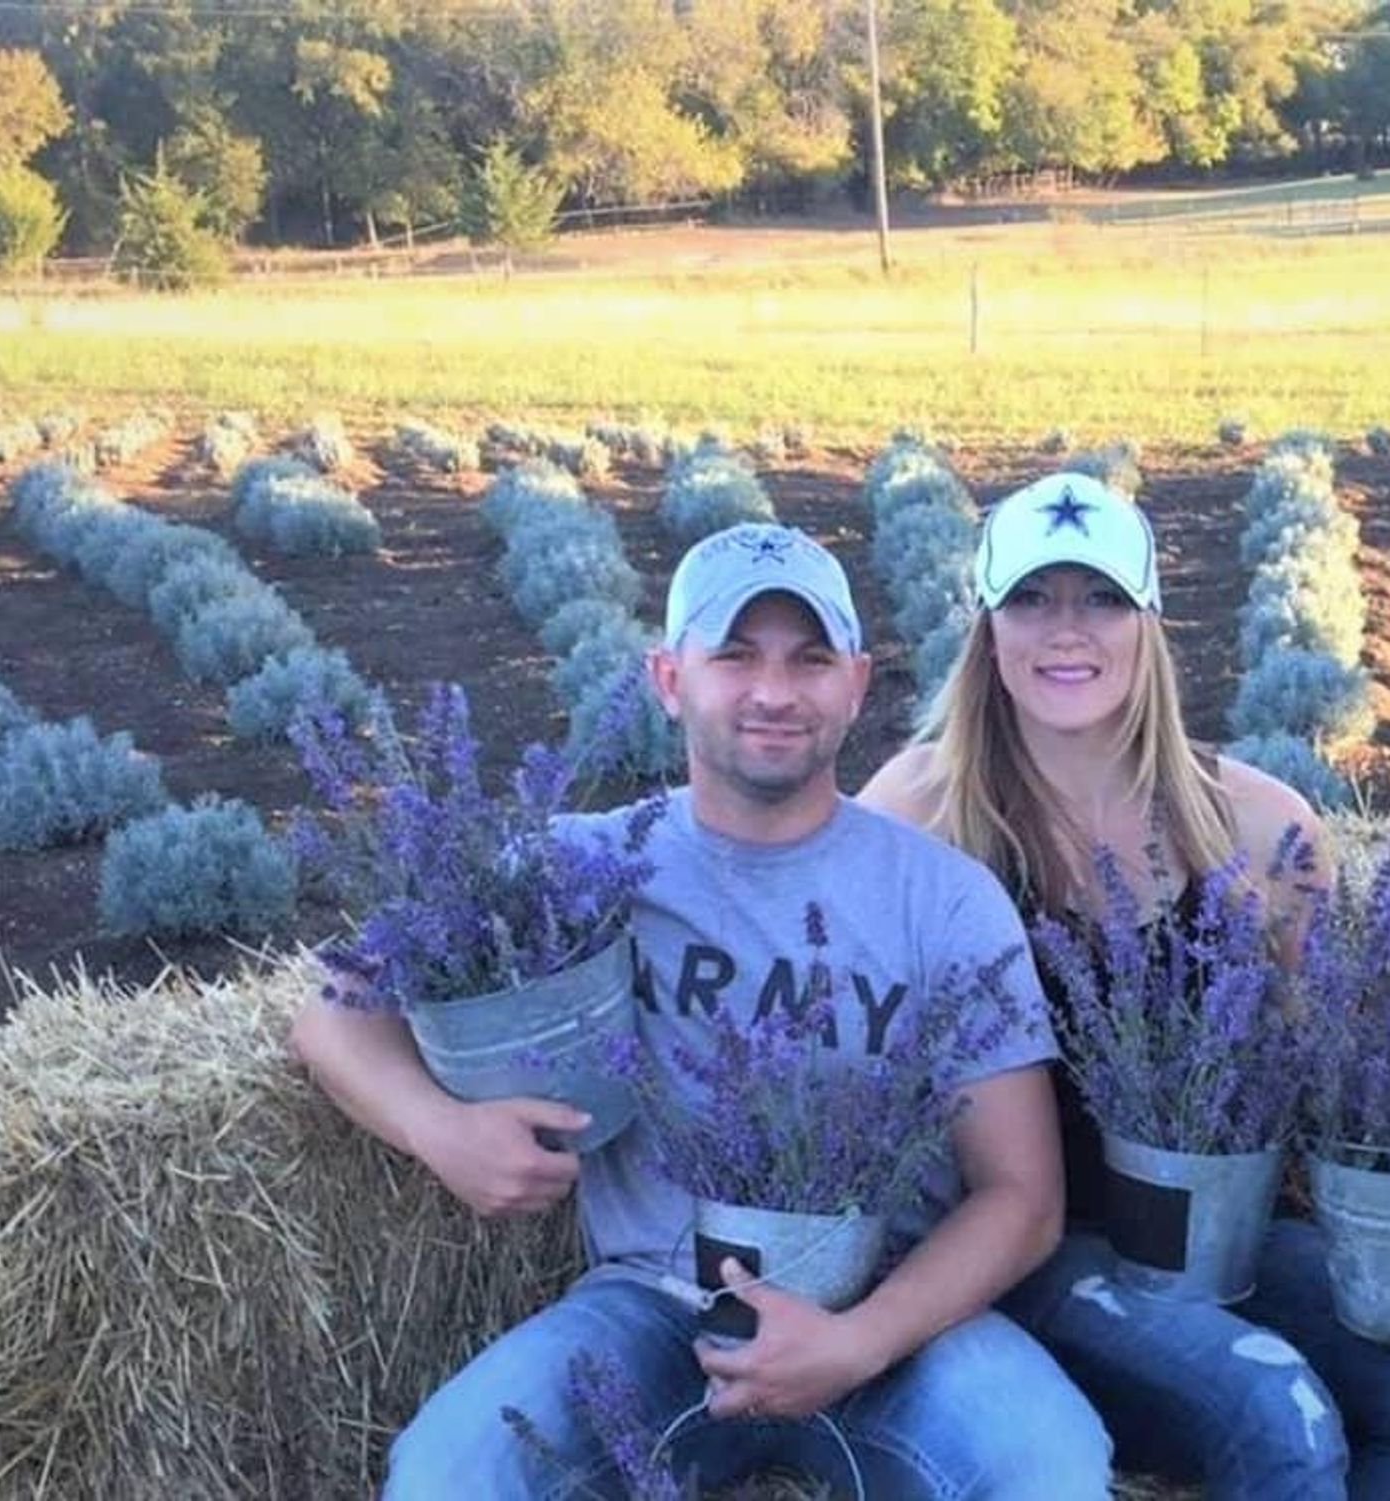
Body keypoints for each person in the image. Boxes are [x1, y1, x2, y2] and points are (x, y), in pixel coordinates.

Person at [291, 522, 1112, 1500]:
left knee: (1051, 1465)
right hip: (653, 1308)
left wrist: (857, 1341)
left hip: (899, 1321)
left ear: (855, 682)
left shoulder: (941, 898)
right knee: (448, 1470)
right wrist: (440, 1130)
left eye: (808, 659)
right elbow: (333, 1003)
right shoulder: (574, 869)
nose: (772, 691)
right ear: (668, 676)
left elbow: (1021, 1197)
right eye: (734, 654)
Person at [858, 473, 1390, 1501]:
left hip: (1224, 1241)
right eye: (1030, 599)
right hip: (1033, 1248)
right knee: (1276, 1418)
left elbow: (1332, 1073)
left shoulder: (1257, 825)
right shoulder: (914, 818)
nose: (1066, 631)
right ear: (983, 624)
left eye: (1099, 599)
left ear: (1147, 623)